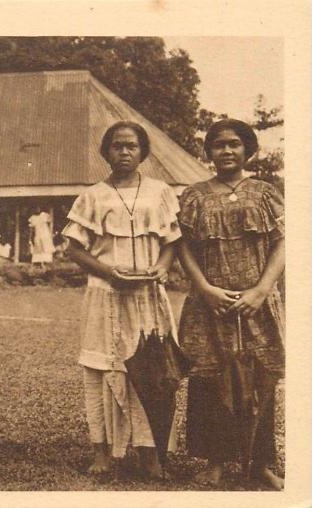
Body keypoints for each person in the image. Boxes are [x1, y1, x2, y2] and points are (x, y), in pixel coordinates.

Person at [62, 121, 181, 478]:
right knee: (100, 369)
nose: (124, 152)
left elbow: (172, 240)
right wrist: (107, 272)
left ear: (143, 151)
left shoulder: (160, 191)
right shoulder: (92, 195)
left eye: (132, 146)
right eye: (117, 146)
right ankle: (103, 452)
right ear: (106, 152)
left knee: (151, 368)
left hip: (147, 296)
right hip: (106, 295)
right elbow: (73, 248)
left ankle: (151, 453)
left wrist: (161, 267)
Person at [177, 119, 285, 489]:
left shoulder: (265, 193)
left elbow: (282, 243)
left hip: (257, 301)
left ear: (248, 150)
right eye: (219, 145)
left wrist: (260, 290)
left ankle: (260, 462)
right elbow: (183, 247)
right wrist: (205, 288)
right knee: (210, 377)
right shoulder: (194, 196)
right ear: (208, 152)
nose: (226, 151)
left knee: (261, 376)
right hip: (210, 303)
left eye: (234, 144)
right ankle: (215, 460)